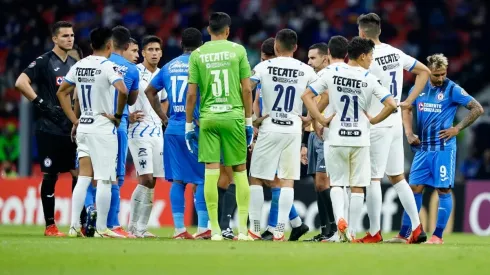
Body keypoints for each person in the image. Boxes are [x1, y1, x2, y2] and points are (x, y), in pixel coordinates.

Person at [302, 37, 396, 242]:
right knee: (357, 186)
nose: (371, 60)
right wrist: (374, 120)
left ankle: (340, 225)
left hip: (335, 137)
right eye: (370, 56)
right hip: (360, 139)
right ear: (362, 56)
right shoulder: (369, 78)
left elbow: (307, 96)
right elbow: (391, 104)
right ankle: (351, 230)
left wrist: (321, 119)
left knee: (336, 184)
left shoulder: (332, 72)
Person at [356, 13, 431, 243]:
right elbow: (425, 72)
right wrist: (408, 101)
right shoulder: (395, 52)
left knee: (374, 179)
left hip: (377, 120)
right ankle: (417, 228)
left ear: (361, 33)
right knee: (398, 177)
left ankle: (374, 233)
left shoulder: (365, 58)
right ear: (378, 31)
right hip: (395, 119)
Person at [393, 54, 484, 244]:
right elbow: (406, 108)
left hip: (443, 149)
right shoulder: (419, 87)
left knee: (443, 190)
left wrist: (457, 128)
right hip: (423, 148)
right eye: (436, 75)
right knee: (414, 189)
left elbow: (477, 108)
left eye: (443, 74)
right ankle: (403, 234)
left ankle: (438, 236)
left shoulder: (452, 88)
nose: (441, 78)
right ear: (428, 71)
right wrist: (409, 133)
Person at [185, 12, 253, 241]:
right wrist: (249, 121)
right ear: (227, 30)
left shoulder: (198, 54)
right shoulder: (238, 51)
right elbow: (246, 89)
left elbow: (192, 94)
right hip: (233, 116)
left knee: (211, 174)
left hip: (208, 118)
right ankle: (242, 230)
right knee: (240, 172)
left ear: (209, 30)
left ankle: (214, 229)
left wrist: (188, 125)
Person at [56, 26, 129, 237]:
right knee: (105, 178)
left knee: (84, 177)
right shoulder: (108, 66)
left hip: (84, 126)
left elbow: (62, 92)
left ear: (91, 45)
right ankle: (102, 228)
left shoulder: (80, 64)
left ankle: (73, 226)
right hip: (102, 128)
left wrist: (74, 119)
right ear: (109, 45)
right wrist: (117, 115)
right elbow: (123, 90)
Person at [249, 29, 317, 241]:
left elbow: (246, 87)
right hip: (293, 128)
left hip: (269, 125)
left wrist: (251, 118)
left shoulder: (263, 66)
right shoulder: (306, 70)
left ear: (276, 47)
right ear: (296, 47)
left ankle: (255, 229)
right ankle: (279, 231)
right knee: (287, 180)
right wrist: (310, 117)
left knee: (257, 178)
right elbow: (323, 93)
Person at [15, 21, 78, 237]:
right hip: (48, 127)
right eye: (65, 36)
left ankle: (76, 224)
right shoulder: (43, 61)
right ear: (54, 39)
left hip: (70, 128)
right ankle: (50, 225)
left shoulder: (74, 63)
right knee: (50, 176)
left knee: (79, 174)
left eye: (71, 35)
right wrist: (41, 104)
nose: (70, 39)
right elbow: (21, 82)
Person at [146, 28, 209, 239]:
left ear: (181, 44)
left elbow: (149, 91)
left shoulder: (169, 66)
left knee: (178, 181)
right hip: (196, 127)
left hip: (172, 128)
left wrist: (163, 117)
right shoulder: (202, 64)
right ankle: (202, 228)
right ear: (200, 45)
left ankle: (179, 228)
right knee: (202, 179)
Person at [304, 38, 349, 242]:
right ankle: (326, 230)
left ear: (326, 58)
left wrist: (317, 117)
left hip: (326, 132)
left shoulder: (330, 75)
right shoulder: (316, 76)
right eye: (308, 58)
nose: (309, 61)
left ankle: (333, 229)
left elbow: (326, 97)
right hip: (315, 133)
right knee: (318, 184)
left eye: (313, 58)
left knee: (325, 182)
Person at [127, 35, 166, 238]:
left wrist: (163, 119)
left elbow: (164, 101)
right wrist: (127, 115)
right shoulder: (135, 72)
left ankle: (141, 227)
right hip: (138, 131)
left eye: (157, 50)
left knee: (153, 181)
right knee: (146, 178)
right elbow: (121, 95)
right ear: (143, 52)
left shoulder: (162, 74)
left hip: (157, 132)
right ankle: (132, 225)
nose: (154, 53)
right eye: (150, 49)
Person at [106, 25, 140, 237]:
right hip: (118, 124)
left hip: (92, 122)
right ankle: (112, 224)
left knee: (88, 174)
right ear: (127, 45)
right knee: (116, 176)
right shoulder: (131, 69)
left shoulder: (95, 63)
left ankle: (84, 220)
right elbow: (131, 98)